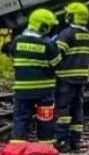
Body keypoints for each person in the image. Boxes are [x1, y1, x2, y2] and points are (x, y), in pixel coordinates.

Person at [7, 9, 62, 144]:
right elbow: (57, 64)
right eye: (49, 25)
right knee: (45, 120)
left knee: (21, 119)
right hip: (44, 91)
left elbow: (13, 55)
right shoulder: (48, 43)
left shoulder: (17, 41)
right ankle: (46, 147)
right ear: (42, 26)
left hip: (22, 90)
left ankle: (17, 149)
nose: (50, 28)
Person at [54, 2, 89, 152]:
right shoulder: (87, 34)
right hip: (81, 77)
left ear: (73, 16)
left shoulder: (67, 33)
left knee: (62, 108)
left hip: (66, 78)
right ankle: (75, 140)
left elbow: (57, 54)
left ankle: (62, 140)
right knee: (77, 108)